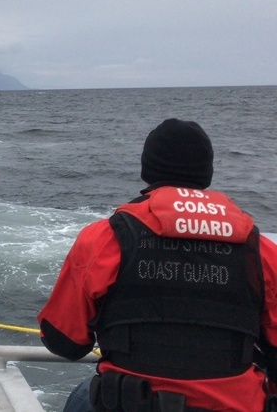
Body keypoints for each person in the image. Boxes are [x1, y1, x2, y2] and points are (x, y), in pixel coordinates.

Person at [37, 118, 277, 411]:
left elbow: (64, 342)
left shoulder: (105, 238)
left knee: (81, 396)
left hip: (128, 403)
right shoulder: (261, 251)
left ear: (147, 170)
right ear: (207, 173)